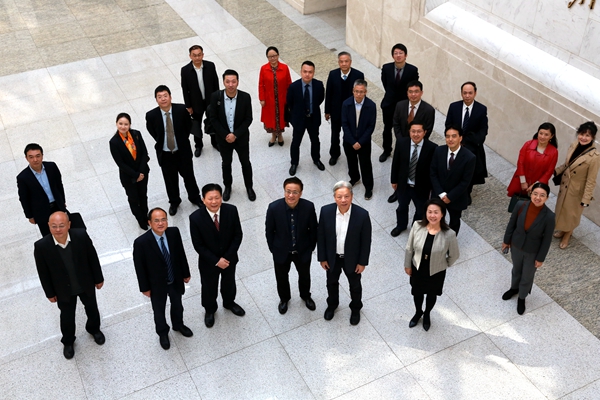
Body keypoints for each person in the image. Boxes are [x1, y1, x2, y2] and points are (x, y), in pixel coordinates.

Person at [33, 211, 105, 359]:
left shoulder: (81, 236)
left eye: (61, 225)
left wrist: (98, 278)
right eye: (54, 226)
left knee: (92, 308)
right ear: (48, 226)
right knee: (67, 317)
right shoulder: (41, 246)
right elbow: (43, 273)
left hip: (85, 283)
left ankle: (94, 329)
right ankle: (68, 341)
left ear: (69, 225)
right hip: (63, 290)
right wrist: (49, 293)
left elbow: (92, 257)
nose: (58, 229)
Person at [133, 207, 193, 350]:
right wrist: (144, 288)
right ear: (150, 222)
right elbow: (140, 268)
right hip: (156, 284)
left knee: (177, 304)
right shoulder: (141, 242)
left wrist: (185, 273)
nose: (160, 223)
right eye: (156, 221)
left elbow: (181, 253)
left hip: (174, 279)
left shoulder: (174, 233)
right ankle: (163, 333)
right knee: (159, 311)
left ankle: (178, 324)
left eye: (163, 219)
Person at [189, 183, 245, 328]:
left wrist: (227, 257)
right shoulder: (195, 218)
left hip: (229, 259)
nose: (214, 202)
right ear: (203, 200)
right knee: (209, 287)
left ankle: (229, 302)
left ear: (221, 197)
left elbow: (237, 235)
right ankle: (210, 310)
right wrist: (216, 261)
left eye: (217, 198)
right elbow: (198, 245)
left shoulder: (231, 210)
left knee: (229, 282)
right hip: (209, 262)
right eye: (210, 198)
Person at [318, 181, 372, 325]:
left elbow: (366, 241)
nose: (343, 200)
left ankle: (355, 308)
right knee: (331, 283)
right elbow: (321, 236)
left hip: (353, 259)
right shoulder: (325, 211)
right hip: (332, 257)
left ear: (352, 196)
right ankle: (332, 305)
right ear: (334, 197)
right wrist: (322, 258)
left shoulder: (362, 215)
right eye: (339, 197)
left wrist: (362, 262)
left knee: (355, 286)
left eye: (346, 196)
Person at [145, 85, 202, 216]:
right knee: (170, 180)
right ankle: (174, 201)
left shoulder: (181, 110)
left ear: (170, 97)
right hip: (165, 154)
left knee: (189, 176)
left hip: (182, 151)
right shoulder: (151, 115)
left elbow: (188, 126)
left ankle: (195, 197)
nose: (163, 99)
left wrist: (181, 140)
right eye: (160, 97)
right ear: (156, 99)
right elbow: (153, 131)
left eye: (165, 96)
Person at [404, 198, 459, 331]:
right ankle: (418, 312)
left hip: (436, 271)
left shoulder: (449, 234)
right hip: (418, 267)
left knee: (431, 294)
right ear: (426, 212)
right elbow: (409, 248)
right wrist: (407, 265)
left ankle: (427, 313)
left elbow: (454, 255)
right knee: (417, 293)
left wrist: (443, 264)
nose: (432, 215)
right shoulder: (417, 226)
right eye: (430, 212)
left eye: (436, 212)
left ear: (442, 214)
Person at [265, 177, 318, 314]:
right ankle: (284, 299)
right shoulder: (274, 208)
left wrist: (310, 248)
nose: (291, 195)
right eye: (288, 191)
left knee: (305, 275)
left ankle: (305, 296)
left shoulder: (308, 207)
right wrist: (274, 249)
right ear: (284, 191)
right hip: (281, 251)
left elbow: (314, 229)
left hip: (302, 250)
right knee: (281, 277)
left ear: (301, 193)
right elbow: (269, 231)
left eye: (295, 192)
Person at [502, 182, 555, 315]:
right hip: (516, 246)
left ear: (547, 198)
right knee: (516, 270)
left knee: (527, 275)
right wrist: (506, 241)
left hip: (533, 251)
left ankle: (522, 297)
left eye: (542, 195)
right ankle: (514, 288)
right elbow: (511, 224)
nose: (538, 197)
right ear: (531, 194)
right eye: (535, 194)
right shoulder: (520, 205)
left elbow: (547, 240)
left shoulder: (549, 216)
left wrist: (540, 258)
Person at [208, 69, 256, 202]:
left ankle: (249, 187)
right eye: (228, 81)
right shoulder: (215, 97)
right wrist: (225, 135)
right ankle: (227, 187)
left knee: (245, 163)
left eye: (233, 81)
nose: (230, 85)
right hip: (223, 139)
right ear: (223, 82)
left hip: (241, 138)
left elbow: (248, 119)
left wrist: (235, 134)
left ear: (238, 82)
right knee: (226, 163)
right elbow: (213, 118)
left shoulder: (245, 97)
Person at [553, 121, 600, 249]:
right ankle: (563, 230)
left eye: (587, 136)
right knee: (563, 211)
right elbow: (567, 164)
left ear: (593, 137)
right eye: (582, 134)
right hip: (565, 186)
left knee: (572, 215)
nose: (583, 138)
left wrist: (586, 199)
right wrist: (555, 171)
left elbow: (591, 180)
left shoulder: (595, 157)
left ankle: (568, 234)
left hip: (577, 191)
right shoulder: (574, 145)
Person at [388, 80, 435, 203]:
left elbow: (428, 130)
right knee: (400, 167)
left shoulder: (429, 110)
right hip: (402, 145)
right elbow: (396, 124)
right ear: (407, 93)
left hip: (418, 144)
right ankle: (398, 191)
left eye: (416, 91)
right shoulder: (400, 105)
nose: (413, 94)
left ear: (421, 93)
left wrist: (415, 140)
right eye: (410, 92)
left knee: (416, 168)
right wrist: (402, 141)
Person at [390, 121, 438, 237]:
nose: (416, 134)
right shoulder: (401, 143)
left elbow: (433, 170)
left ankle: (415, 228)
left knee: (420, 210)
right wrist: (394, 180)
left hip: (421, 187)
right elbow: (396, 162)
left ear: (425, 132)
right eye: (413, 131)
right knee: (401, 207)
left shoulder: (432, 148)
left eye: (419, 131)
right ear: (409, 132)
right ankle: (401, 226)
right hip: (404, 185)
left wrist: (431, 188)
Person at [444, 82, 488, 204]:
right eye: (465, 93)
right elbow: (448, 125)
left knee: (469, 172)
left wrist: (466, 141)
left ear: (475, 93)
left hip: (472, 146)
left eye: (470, 93)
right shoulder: (454, 107)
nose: (467, 96)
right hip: (454, 144)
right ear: (461, 93)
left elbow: (483, 130)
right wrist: (454, 139)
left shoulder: (481, 109)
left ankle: (466, 193)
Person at [430, 126, 476, 235]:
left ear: (460, 138)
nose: (450, 139)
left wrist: (450, 197)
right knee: (435, 218)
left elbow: (465, 181)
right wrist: (441, 194)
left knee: (454, 221)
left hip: (456, 197)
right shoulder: (439, 150)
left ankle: (451, 241)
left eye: (454, 136)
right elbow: (433, 173)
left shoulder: (469, 157)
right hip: (439, 194)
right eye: (448, 136)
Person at [109, 113, 150, 230]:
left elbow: (144, 153)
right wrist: (136, 175)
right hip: (129, 177)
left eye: (126, 124)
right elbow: (120, 163)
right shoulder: (114, 142)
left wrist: (141, 172)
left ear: (130, 125)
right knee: (134, 199)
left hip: (142, 173)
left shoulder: (136, 134)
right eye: (120, 124)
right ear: (116, 124)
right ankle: (140, 219)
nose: (123, 126)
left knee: (143, 195)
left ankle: (145, 215)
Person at [379, 43, 419, 162]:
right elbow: (385, 83)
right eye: (395, 53)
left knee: (403, 130)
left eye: (401, 53)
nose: (398, 55)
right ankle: (386, 150)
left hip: (404, 105)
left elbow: (414, 88)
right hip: (389, 104)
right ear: (392, 55)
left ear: (406, 55)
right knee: (387, 128)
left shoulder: (412, 70)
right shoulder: (386, 68)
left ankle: (402, 151)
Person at [17, 143, 67, 237]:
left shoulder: (51, 167)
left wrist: (62, 201)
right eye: (31, 157)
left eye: (38, 156)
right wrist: (30, 216)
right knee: (49, 237)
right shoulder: (23, 177)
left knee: (66, 232)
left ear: (42, 156)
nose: (35, 159)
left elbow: (59, 185)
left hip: (58, 206)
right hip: (41, 212)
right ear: (26, 158)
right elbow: (24, 198)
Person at [324, 51, 365, 165]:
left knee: (350, 135)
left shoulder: (358, 75)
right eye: (341, 61)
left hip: (352, 112)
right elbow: (329, 93)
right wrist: (327, 111)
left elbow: (361, 94)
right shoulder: (333, 74)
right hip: (336, 111)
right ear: (338, 62)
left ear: (350, 62)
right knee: (334, 135)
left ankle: (351, 155)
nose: (344, 64)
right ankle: (334, 154)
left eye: (346, 61)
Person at [287, 61, 326, 176]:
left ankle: (316, 159)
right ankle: (294, 163)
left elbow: (320, 99)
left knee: (315, 141)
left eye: (310, 72)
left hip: (313, 118)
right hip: (299, 120)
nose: (307, 74)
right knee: (296, 142)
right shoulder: (294, 87)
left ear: (313, 73)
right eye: (305, 71)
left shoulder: (318, 85)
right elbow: (290, 103)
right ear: (301, 72)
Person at [181, 44, 220, 156]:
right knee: (196, 125)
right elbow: (185, 89)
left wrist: (217, 100)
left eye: (199, 55)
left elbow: (216, 84)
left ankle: (215, 142)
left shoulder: (210, 66)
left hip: (210, 101)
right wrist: (188, 106)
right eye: (194, 55)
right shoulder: (185, 70)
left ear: (203, 55)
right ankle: (198, 145)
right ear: (190, 56)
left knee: (212, 122)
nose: (197, 57)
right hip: (195, 103)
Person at [341, 79, 376, 200]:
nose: (358, 94)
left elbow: (371, 126)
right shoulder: (346, 104)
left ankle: (368, 187)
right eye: (356, 91)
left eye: (361, 92)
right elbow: (344, 124)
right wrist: (352, 141)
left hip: (364, 142)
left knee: (365, 164)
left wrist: (360, 142)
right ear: (353, 91)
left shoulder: (371, 106)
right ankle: (355, 178)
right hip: (349, 141)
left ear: (365, 92)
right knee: (351, 161)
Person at [507, 122, 559, 198]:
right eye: (541, 133)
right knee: (516, 202)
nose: (542, 137)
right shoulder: (528, 144)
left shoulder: (553, 152)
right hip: (521, 181)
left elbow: (549, 171)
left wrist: (536, 185)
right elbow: (520, 163)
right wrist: (523, 181)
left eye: (546, 135)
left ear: (552, 136)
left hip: (539, 184)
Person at [259, 46, 292, 147]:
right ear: (267, 58)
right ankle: (273, 135)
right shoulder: (264, 69)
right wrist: (262, 98)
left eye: (274, 56)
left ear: (278, 55)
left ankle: (280, 135)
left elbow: (289, 83)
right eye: (270, 57)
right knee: (271, 118)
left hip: (282, 99)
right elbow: (261, 84)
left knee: (281, 118)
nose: (273, 58)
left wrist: (290, 97)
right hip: (269, 99)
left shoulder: (284, 68)